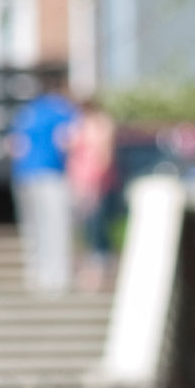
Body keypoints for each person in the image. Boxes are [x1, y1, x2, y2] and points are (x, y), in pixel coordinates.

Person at [11, 82, 81, 294]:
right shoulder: (64, 110)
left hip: (24, 174)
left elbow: (15, 145)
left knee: (33, 228)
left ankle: (36, 276)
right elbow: (68, 141)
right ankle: (57, 278)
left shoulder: (26, 112)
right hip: (52, 174)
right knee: (56, 228)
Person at [67, 97, 121, 291]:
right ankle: (92, 269)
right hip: (80, 183)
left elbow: (103, 156)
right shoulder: (79, 124)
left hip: (95, 183)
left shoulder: (100, 124)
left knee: (96, 228)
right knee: (85, 229)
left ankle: (101, 271)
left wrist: (96, 183)